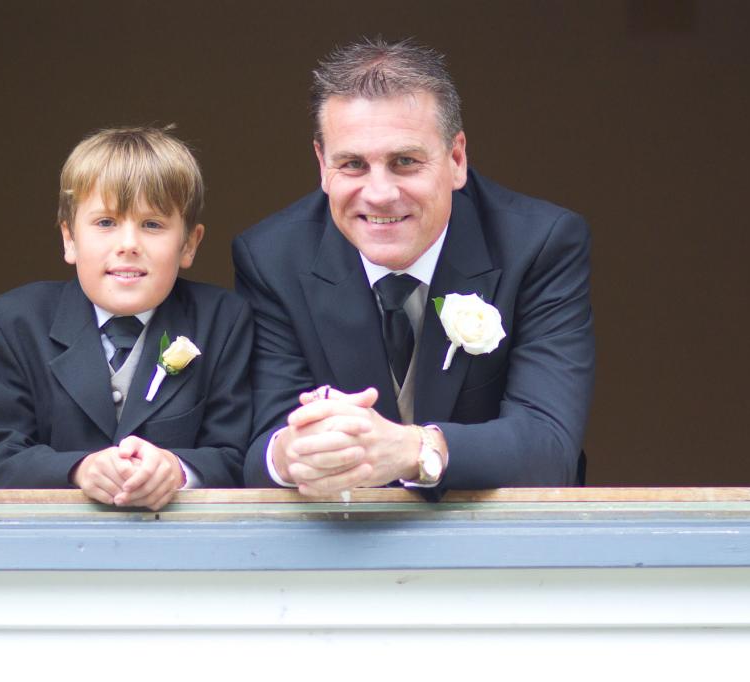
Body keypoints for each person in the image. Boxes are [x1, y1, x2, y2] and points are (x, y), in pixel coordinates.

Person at [233, 37, 594, 497]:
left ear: (457, 159)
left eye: (404, 162)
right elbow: (259, 450)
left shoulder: (539, 245)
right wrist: (292, 453)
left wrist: (415, 450)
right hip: (342, 535)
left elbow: (549, 449)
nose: (380, 193)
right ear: (322, 165)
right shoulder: (271, 258)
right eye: (353, 164)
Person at [0, 127, 252, 509]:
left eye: (152, 224)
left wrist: (178, 470)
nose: (128, 244)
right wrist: (78, 470)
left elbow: (239, 458)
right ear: (69, 239)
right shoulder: (11, 325)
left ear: (189, 244)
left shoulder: (223, 322)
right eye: (105, 223)